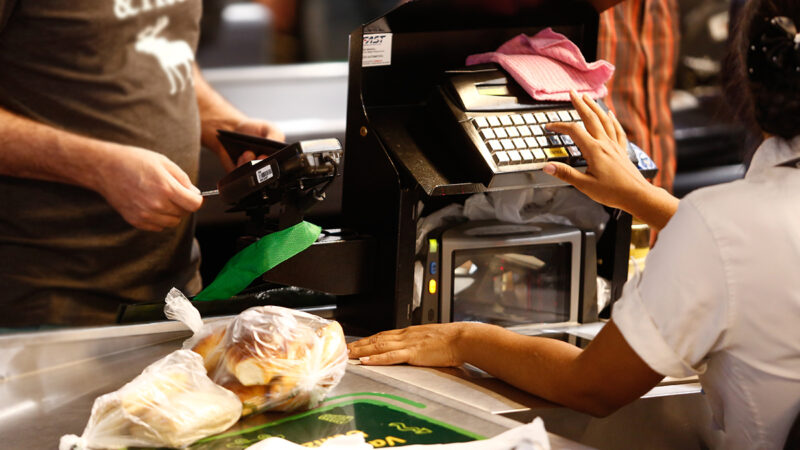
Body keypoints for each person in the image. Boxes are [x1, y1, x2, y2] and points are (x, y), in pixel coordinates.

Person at [348, 0, 800, 447]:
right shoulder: (731, 224)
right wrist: (641, 197)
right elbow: (753, 245)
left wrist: (461, 340)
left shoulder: (721, 224)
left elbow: (593, 385)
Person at [0, 1, 283, 327]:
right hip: (42, 305)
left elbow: (165, 48)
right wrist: (97, 166)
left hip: (176, 299)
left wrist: (228, 126)